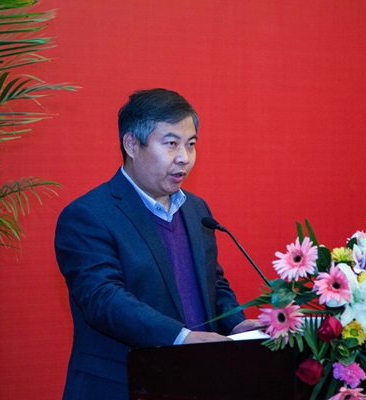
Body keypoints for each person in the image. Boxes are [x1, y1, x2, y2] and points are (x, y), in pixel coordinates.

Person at [55, 88, 259, 400]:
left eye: (191, 144)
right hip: (122, 386)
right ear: (131, 144)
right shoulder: (88, 215)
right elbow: (103, 300)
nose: (184, 157)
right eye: (171, 143)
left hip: (197, 383)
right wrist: (181, 337)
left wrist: (235, 324)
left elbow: (213, 283)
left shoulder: (196, 210)